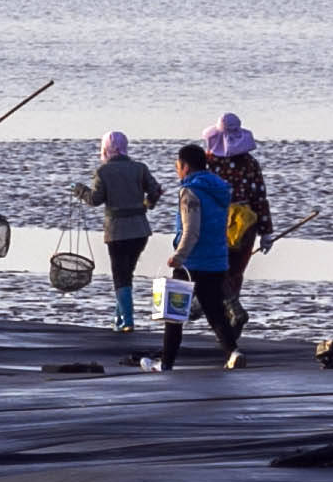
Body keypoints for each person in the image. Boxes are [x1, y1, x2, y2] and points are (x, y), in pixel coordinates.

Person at [160, 142, 245, 369]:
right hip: (216, 261)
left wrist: (178, 256)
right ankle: (233, 352)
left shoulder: (190, 192)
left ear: (185, 166)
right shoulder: (219, 189)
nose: (177, 169)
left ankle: (166, 363)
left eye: (178, 165)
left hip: (191, 263)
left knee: (173, 315)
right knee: (215, 312)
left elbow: (191, 230)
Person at [74, 131, 161, 333]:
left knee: (120, 275)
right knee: (126, 273)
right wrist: (148, 204)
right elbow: (156, 190)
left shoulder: (103, 172)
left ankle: (128, 321)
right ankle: (119, 319)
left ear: (105, 149)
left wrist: (79, 190)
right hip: (140, 230)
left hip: (117, 232)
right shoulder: (140, 168)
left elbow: (95, 200)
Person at [210, 113, 275, 291]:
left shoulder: (208, 162)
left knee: (214, 269)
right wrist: (266, 233)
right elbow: (259, 198)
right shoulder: (250, 163)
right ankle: (230, 309)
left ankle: (216, 309)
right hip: (245, 224)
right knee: (236, 271)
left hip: (215, 222)